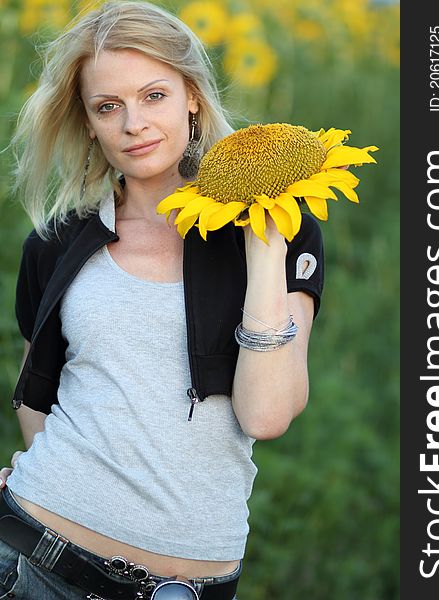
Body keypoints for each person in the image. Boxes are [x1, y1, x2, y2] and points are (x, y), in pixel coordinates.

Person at [0, 2, 324, 599]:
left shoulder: (283, 223)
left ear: (193, 96)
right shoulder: (57, 241)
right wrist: (43, 475)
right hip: (34, 561)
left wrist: (262, 244)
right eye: (107, 106)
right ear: (89, 122)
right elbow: (35, 386)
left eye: (154, 96)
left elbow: (267, 415)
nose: (133, 125)